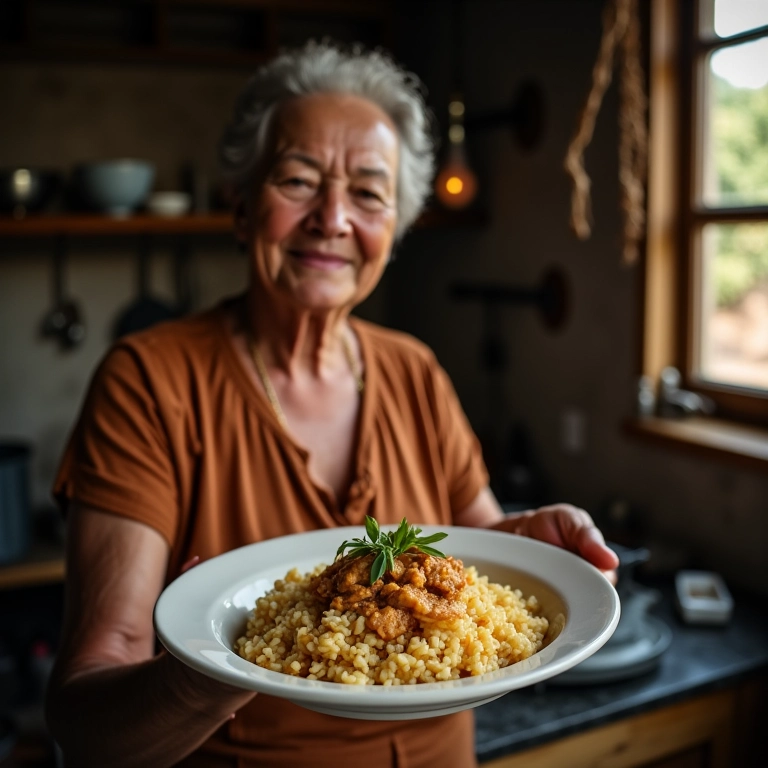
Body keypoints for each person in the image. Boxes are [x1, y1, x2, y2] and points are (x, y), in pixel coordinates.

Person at [45, 41, 618, 768]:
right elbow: (85, 723)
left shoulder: (414, 370)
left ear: (395, 231)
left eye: (369, 193)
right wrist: (214, 672)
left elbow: (480, 560)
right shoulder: (147, 382)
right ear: (242, 204)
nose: (333, 217)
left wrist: (526, 536)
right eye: (297, 180)